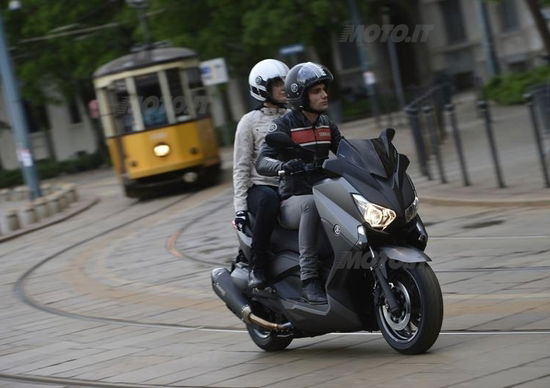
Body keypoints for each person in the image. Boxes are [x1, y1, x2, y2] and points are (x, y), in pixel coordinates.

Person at [256, 62, 342, 304]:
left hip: (324, 191)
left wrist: (373, 160)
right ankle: (309, 278)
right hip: (293, 201)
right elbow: (261, 162)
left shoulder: (326, 124)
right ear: (301, 95)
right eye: (316, 91)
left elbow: (347, 152)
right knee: (311, 205)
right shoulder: (285, 125)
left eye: (324, 89)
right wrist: (284, 167)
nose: (324, 94)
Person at [233, 59, 290, 289]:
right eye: (277, 83)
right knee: (269, 200)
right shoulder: (249, 122)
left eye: (286, 82)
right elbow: (241, 167)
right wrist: (240, 209)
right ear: (262, 89)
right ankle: (258, 265)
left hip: (294, 183)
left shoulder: (296, 115)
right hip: (263, 186)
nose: (284, 87)